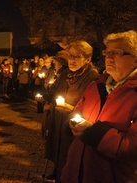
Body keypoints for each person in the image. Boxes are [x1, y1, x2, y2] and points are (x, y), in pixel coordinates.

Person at [61, 30, 137, 183]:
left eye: (117, 52)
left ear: (135, 60)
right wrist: (71, 124)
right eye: (107, 52)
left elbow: (132, 148)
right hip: (75, 174)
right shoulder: (96, 86)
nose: (108, 57)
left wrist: (93, 131)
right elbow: (78, 111)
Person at [45, 40, 99, 182]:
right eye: (70, 56)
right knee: (59, 155)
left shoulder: (93, 78)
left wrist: (72, 109)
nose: (72, 60)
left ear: (88, 59)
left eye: (77, 56)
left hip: (75, 129)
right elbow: (54, 92)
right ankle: (57, 173)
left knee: (72, 165)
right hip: (59, 123)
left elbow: (93, 108)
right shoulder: (65, 74)